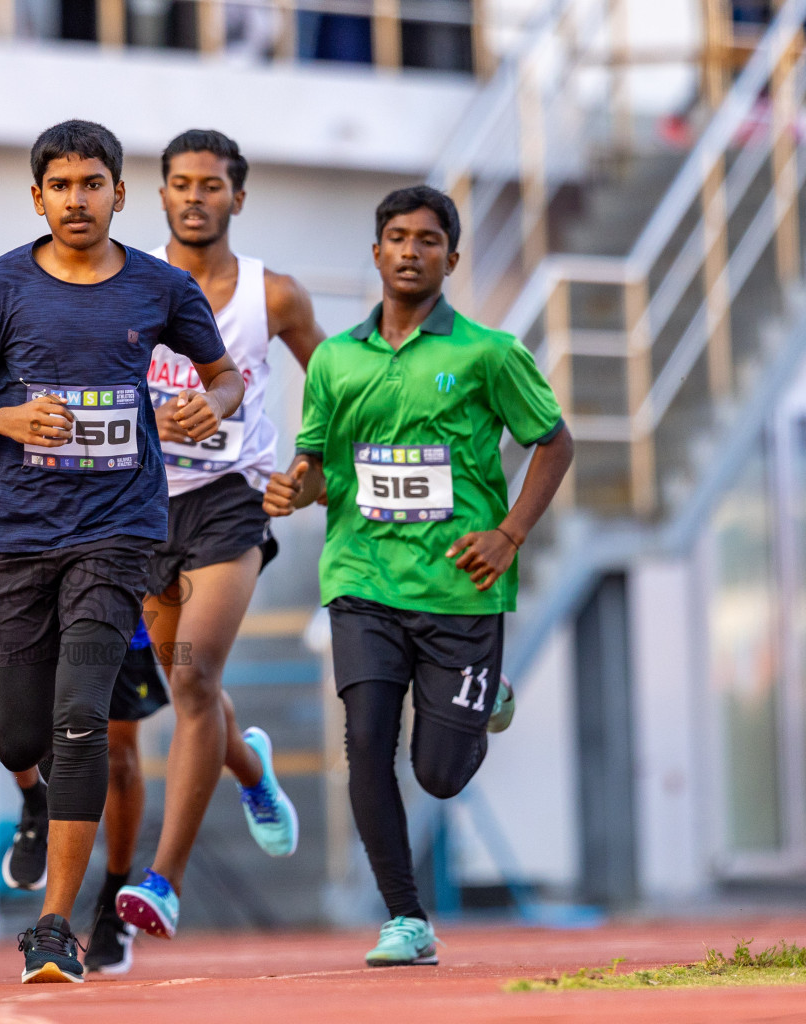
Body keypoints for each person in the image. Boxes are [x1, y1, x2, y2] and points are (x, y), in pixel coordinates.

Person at [0, 119, 242, 984]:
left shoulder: (159, 286)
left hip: (119, 532)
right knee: (18, 733)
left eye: (92, 184)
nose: (77, 199)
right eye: (60, 186)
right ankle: (34, 804)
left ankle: (55, 924)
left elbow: (224, 373)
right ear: (38, 197)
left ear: (118, 193)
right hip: (19, 536)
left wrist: (212, 403)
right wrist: (3, 420)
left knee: (82, 722)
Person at [264, 185, 573, 966]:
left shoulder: (488, 353)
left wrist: (510, 533)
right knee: (366, 742)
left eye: (427, 239)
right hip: (362, 577)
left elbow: (555, 442)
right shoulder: (335, 359)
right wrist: (292, 487)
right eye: (396, 237)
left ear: (451, 258)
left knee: (437, 775)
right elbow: (327, 470)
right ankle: (405, 917)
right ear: (376, 253)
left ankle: (482, 692)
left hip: (459, 586)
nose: (409, 250)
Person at [112, 128, 320, 944]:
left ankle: (164, 883)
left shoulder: (274, 296)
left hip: (231, 501)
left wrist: (311, 468)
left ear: (238, 196)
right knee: (179, 683)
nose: (196, 197)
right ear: (159, 195)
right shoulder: (126, 288)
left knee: (195, 683)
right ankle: (252, 768)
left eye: (212, 185)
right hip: (143, 506)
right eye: (181, 184)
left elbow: (340, 385)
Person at [0, 617, 169, 977]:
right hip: (31, 577)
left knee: (117, 753)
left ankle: (112, 899)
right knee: (16, 721)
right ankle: (34, 805)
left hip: (108, 588)